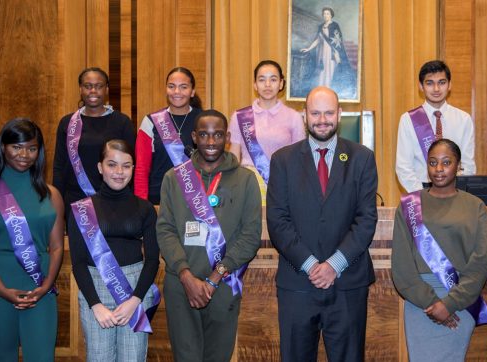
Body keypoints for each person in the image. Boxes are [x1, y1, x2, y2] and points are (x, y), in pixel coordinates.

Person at [267, 86, 378, 361]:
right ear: (304, 115)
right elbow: (277, 221)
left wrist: (333, 265)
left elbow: (366, 219)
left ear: (340, 114)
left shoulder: (362, 158)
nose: (322, 119)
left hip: (347, 284)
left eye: (329, 112)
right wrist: (311, 265)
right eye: (315, 113)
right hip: (297, 283)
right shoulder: (282, 160)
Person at [156, 109, 261, 362]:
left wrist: (215, 277)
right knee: (186, 357)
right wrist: (185, 274)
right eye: (204, 134)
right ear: (194, 137)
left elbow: (250, 235)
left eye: (217, 135)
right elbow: (165, 229)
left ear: (227, 137)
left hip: (223, 284)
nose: (211, 142)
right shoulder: (173, 178)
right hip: (181, 285)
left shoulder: (246, 180)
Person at [0, 118, 64, 361]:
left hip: (39, 289)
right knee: (2, 357)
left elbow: (56, 247)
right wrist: (1, 290)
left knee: (42, 357)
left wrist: (46, 286)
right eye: (17, 147)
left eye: (32, 148)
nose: (24, 154)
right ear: (3, 147)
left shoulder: (51, 194)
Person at [392, 139, 487, 361]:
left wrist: (450, 304)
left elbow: (480, 262)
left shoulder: (475, 206)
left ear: (459, 166)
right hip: (420, 303)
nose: (438, 169)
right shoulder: (409, 205)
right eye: (433, 162)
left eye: (446, 162)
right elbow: (402, 266)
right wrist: (432, 303)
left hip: (460, 300)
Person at [68, 140, 160, 361]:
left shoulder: (145, 208)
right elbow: (78, 262)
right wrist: (95, 305)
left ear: (133, 168)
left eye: (126, 165)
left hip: (135, 290)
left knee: (133, 357)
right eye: (112, 164)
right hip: (94, 290)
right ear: (100, 167)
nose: (119, 172)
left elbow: (153, 260)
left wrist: (135, 299)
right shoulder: (81, 209)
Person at [53, 67, 136, 207]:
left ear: (106, 90)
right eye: (88, 86)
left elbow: (133, 164)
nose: (93, 91)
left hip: (114, 200)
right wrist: (57, 203)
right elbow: (59, 167)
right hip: (76, 202)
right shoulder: (67, 123)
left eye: (99, 86)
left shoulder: (122, 122)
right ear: (80, 89)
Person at [228, 60, 305, 204]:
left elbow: (299, 159)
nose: (268, 85)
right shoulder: (240, 116)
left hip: (282, 184)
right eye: (262, 80)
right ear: (255, 85)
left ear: (281, 84)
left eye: (273, 79)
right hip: (247, 185)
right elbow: (233, 156)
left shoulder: (294, 117)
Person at [395, 60, 476, 193]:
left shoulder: (463, 119)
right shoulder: (408, 119)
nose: (436, 89)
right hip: (420, 191)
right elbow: (403, 167)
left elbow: (468, 166)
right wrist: (424, 194)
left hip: (455, 193)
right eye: (430, 83)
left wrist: (456, 192)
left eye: (442, 82)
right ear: (421, 86)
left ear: (450, 85)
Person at [135, 67, 203, 204]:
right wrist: (140, 203)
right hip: (158, 199)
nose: (177, 92)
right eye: (171, 86)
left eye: (183, 87)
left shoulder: (203, 120)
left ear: (192, 92)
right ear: (166, 90)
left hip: (196, 200)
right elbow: (141, 168)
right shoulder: (150, 121)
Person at [300, 7, 356, 98]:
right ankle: (321, 91)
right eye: (324, 14)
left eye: (327, 14)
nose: (326, 15)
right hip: (322, 53)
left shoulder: (335, 25)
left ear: (331, 15)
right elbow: (318, 40)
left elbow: (338, 41)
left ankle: (329, 92)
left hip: (331, 52)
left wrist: (337, 53)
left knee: (329, 70)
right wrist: (308, 48)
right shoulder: (321, 26)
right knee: (322, 70)